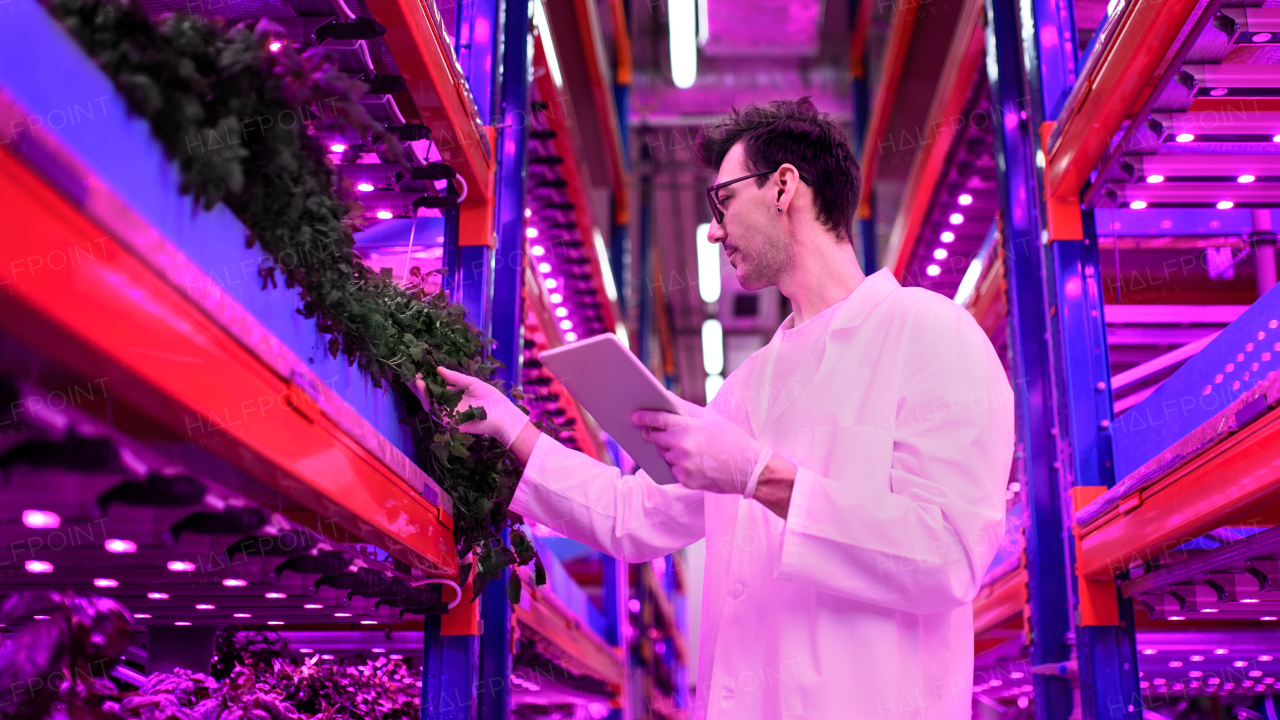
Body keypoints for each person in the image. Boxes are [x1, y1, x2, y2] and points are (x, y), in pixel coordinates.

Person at [418, 98, 1014, 720]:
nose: (713, 230)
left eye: (723, 200)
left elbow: (948, 557)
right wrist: (512, 428)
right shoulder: (752, 385)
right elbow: (634, 515)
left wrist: (759, 475)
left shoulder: (928, 332)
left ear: (784, 186)